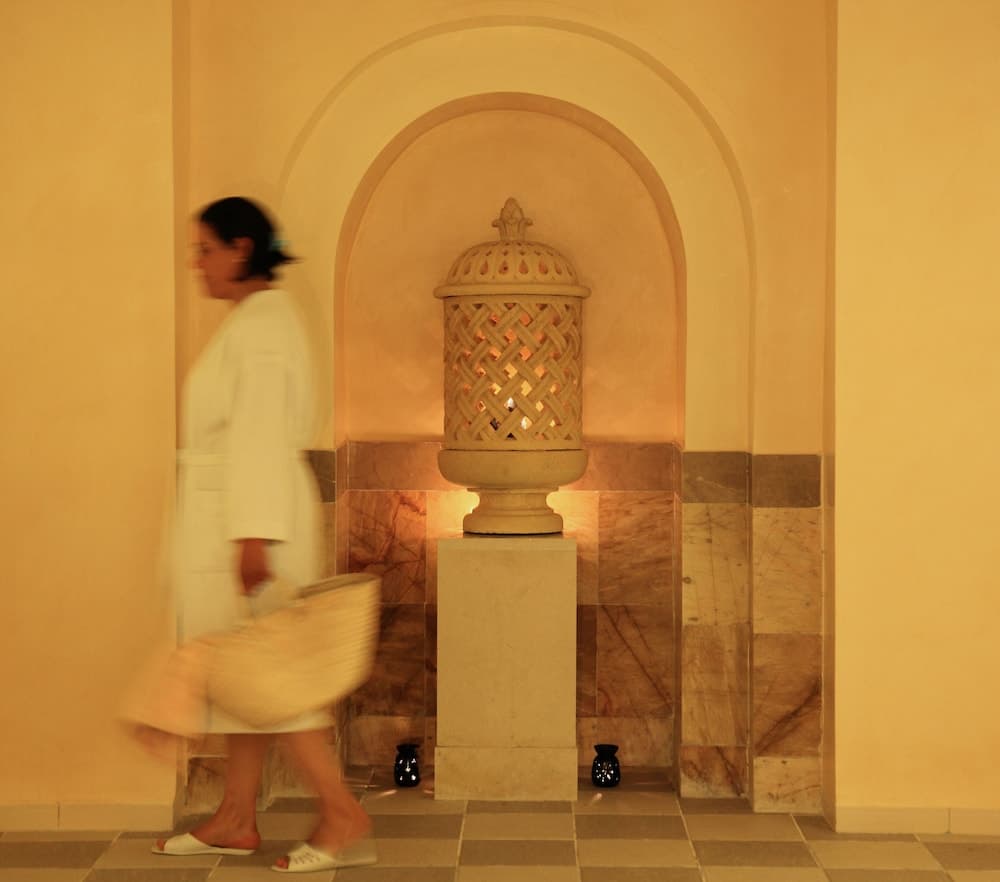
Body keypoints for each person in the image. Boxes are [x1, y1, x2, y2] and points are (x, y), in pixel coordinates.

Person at [153, 197, 373, 873]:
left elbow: (259, 433)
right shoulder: (253, 322)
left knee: (276, 677)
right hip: (235, 519)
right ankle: (235, 817)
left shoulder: (265, 328)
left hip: (251, 525)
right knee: (242, 673)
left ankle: (340, 812)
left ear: (240, 248)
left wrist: (253, 537)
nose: (196, 264)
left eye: (205, 249)